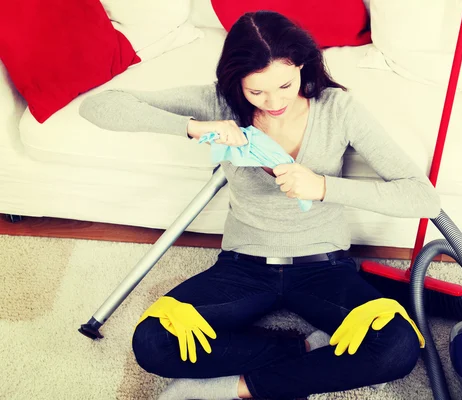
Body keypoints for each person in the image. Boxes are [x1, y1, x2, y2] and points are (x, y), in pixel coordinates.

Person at [80, 10, 441, 400]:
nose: (274, 102)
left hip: (324, 269)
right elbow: (99, 106)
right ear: (237, 83)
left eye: (285, 85)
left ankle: (235, 388)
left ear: (302, 64)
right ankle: (304, 351)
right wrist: (197, 128)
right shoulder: (219, 102)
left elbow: (422, 197)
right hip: (243, 268)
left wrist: (323, 186)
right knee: (152, 341)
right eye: (256, 92)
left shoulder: (338, 109)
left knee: (398, 345)